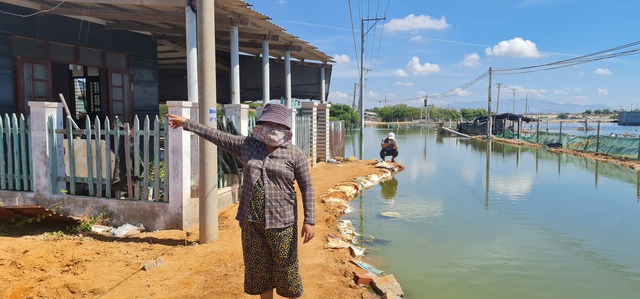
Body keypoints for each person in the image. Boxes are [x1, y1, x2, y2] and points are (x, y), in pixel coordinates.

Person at [166, 103, 315, 299]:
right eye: (267, 123)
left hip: (282, 224)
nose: (271, 128)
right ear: (260, 125)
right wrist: (188, 123)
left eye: (276, 124)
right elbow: (218, 136)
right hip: (251, 223)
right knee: (260, 271)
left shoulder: (295, 154)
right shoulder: (248, 145)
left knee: (287, 270)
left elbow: (307, 187)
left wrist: (309, 220)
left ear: (285, 128)